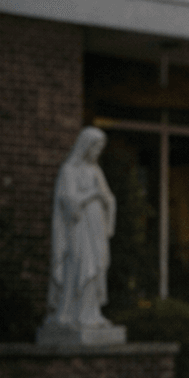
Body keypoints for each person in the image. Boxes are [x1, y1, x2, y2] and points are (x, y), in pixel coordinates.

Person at [46, 126, 117, 331]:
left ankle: (91, 312)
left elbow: (109, 197)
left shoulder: (96, 171)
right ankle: (71, 312)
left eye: (100, 149)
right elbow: (69, 203)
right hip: (78, 227)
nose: (97, 152)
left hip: (96, 226)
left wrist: (108, 209)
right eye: (95, 147)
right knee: (80, 264)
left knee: (97, 267)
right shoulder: (69, 170)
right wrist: (92, 194)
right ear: (85, 146)